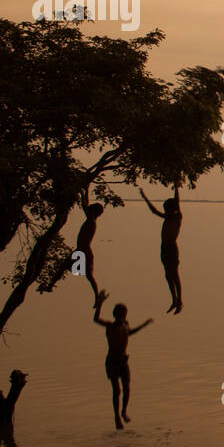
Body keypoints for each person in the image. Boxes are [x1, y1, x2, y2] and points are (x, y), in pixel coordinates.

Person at [93, 291, 152, 430]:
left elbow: (129, 333)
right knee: (116, 390)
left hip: (123, 362)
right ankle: (116, 417)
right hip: (112, 362)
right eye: (120, 314)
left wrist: (144, 325)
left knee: (127, 388)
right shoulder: (110, 326)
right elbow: (96, 319)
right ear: (115, 315)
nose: (122, 316)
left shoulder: (126, 324)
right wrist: (100, 303)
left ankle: (124, 411)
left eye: (124, 314)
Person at [140, 184, 183, 314]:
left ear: (172, 209)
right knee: (167, 275)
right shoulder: (167, 217)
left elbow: (177, 201)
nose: (165, 212)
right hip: (164, 248)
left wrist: (176, 187)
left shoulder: (177, 217)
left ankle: (180, 301)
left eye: (167, 209)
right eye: (165, 210)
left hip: (171, 248)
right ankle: (174, 299)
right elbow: (154, 211)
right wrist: (144, 197)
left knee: (174, 275)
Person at [75, 187, 104, 307]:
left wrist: (83, 191)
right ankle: (50, 285)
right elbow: (86, 205)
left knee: (89, 276)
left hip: (84, 251)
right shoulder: (90, 219)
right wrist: (85, 190)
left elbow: (84, 205)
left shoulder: (91, 221)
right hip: (81, 250)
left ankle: (97, 297)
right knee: (86, 275)